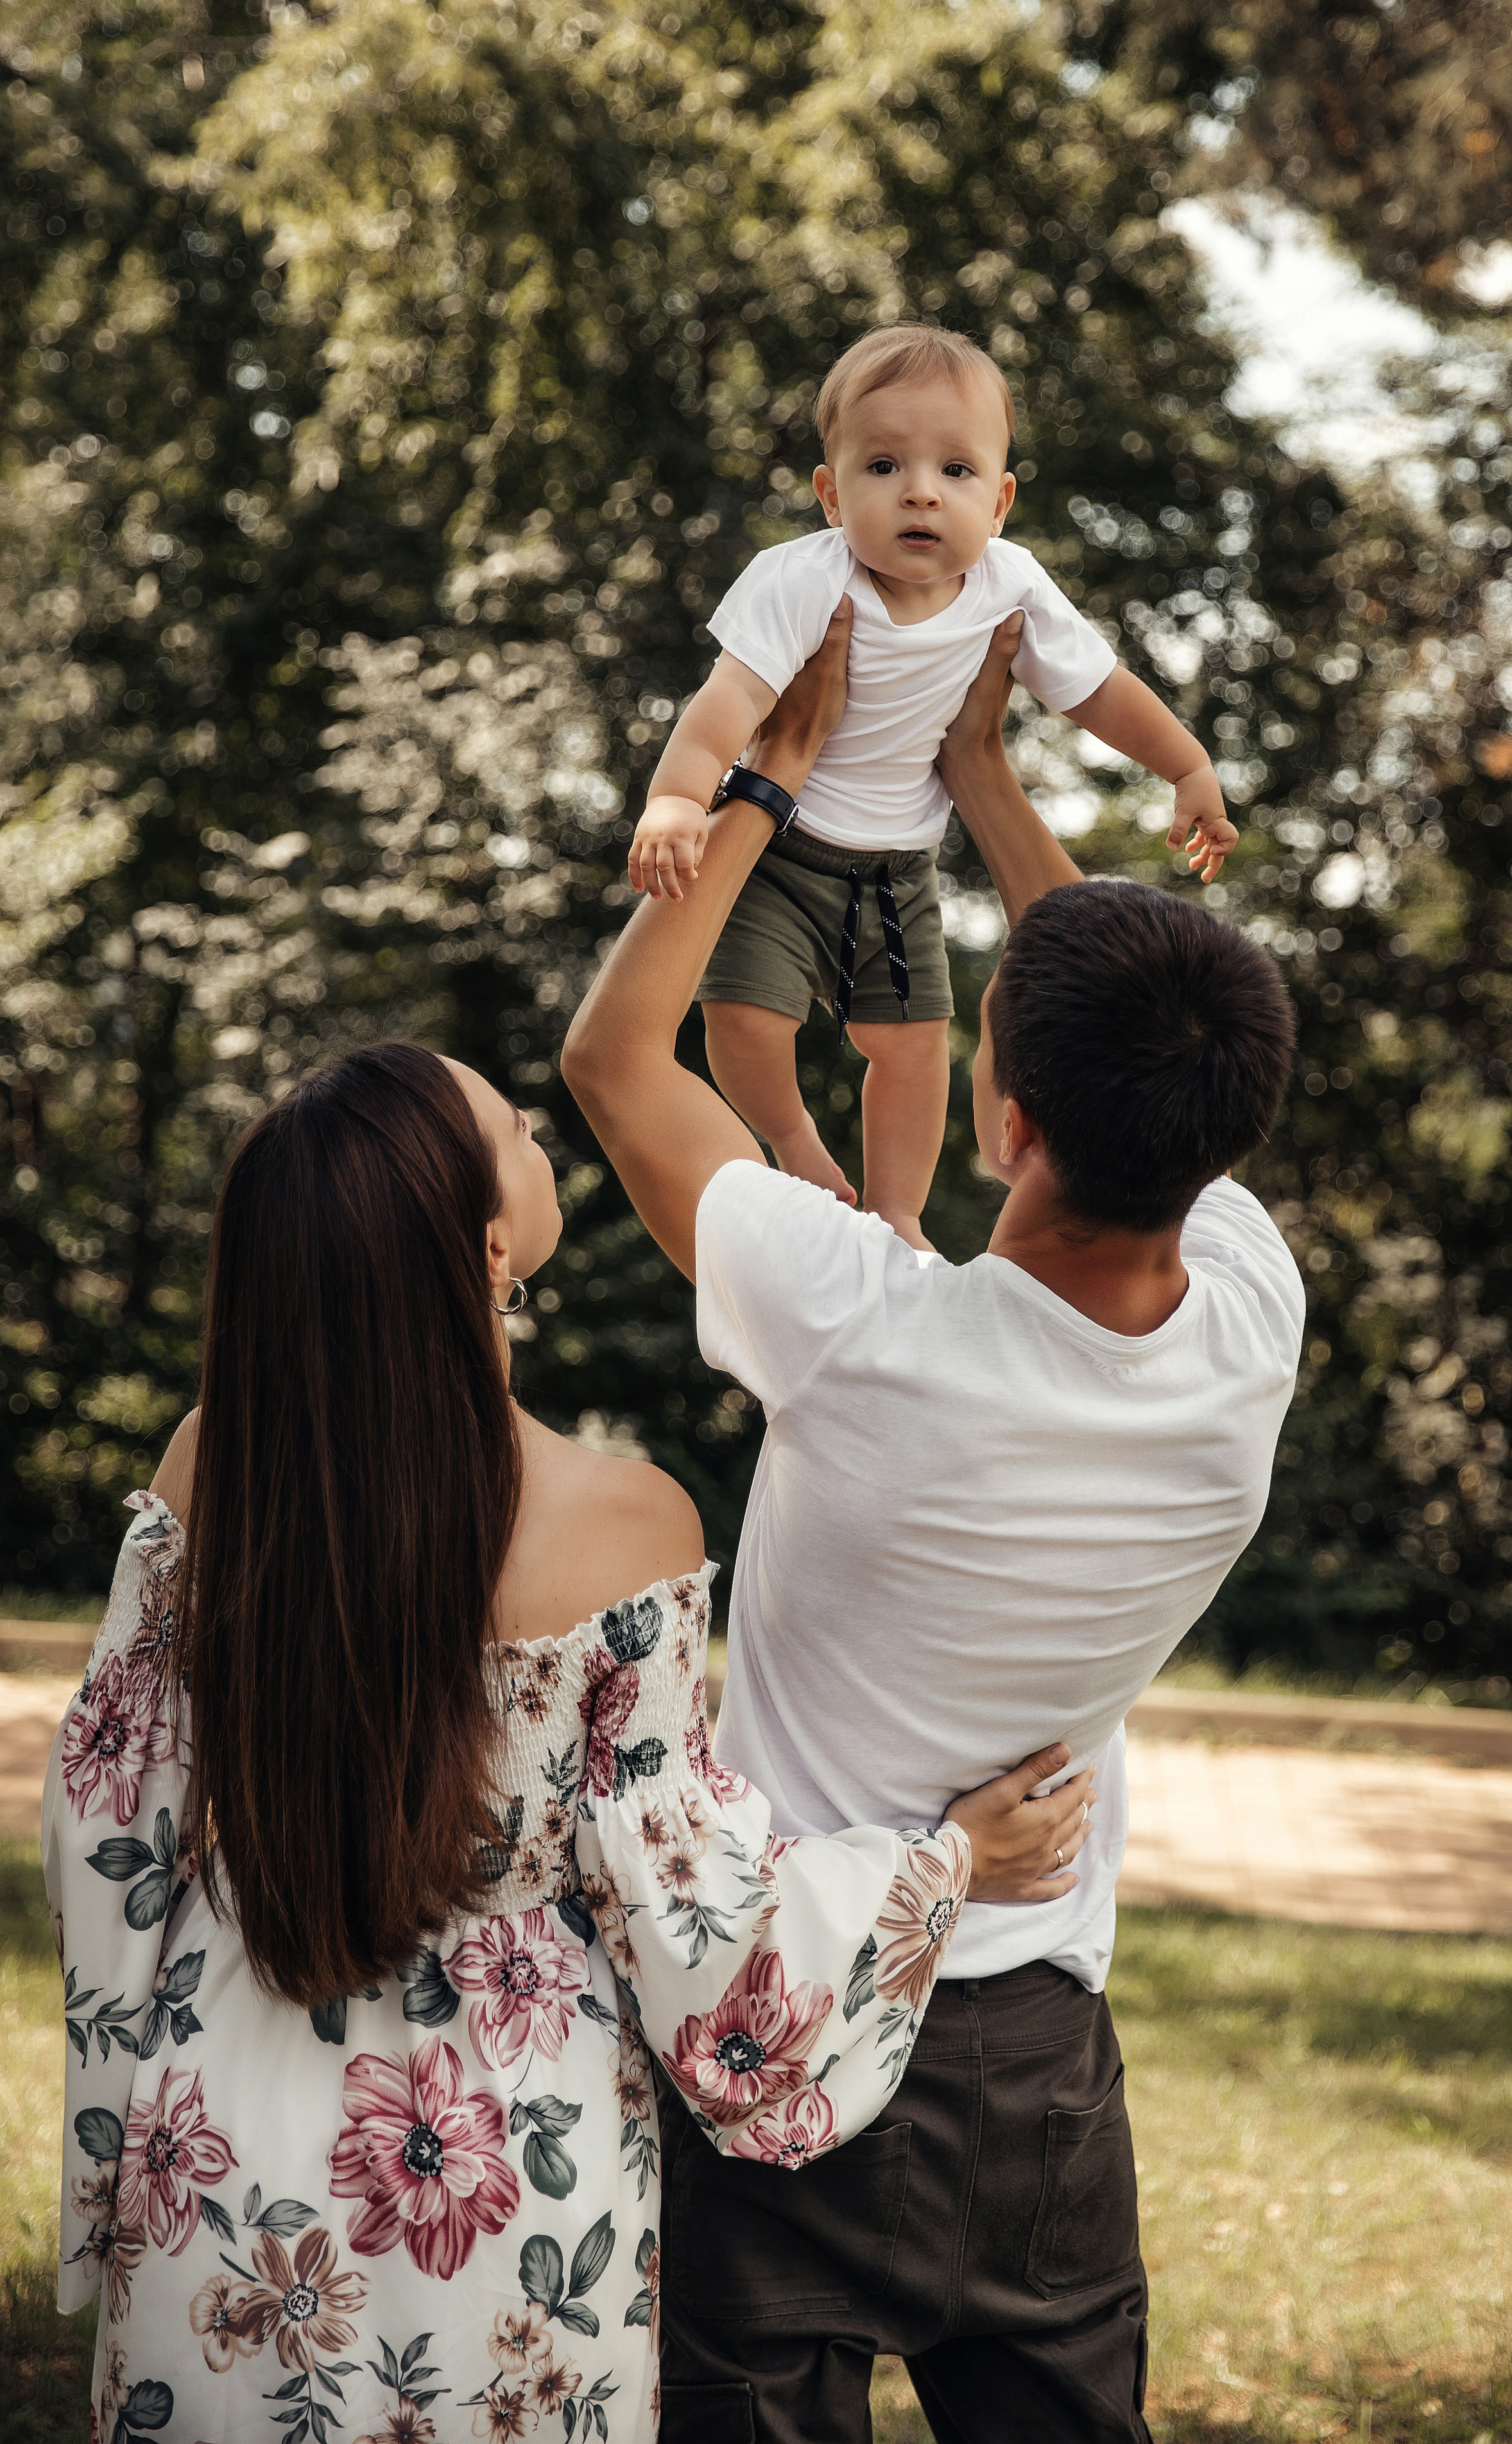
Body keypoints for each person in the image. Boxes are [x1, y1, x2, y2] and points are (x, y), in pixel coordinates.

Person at [42, 1042, 1094, 2444]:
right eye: (525, 1133)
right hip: (507, 2149)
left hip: (216, 2112)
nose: (549, 1145)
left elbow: (111, 1835)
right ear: (492, 1245)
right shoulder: (628, 1522)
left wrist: (113, 2148)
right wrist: (946, 1861)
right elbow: (695, 1916)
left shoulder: (204, 1466)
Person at [562, 605, 1303, 2444]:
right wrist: (981, 765)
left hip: (789, 2016)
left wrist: (769, 779)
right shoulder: (1251, 1321)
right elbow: (1152, 1025)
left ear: (1000, 1103)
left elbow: (611, 1055)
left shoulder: (861, 1321)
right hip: (1037, 2058)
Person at [623, 322, 1238, 1247]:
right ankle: (793, 1140)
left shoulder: (1011, 587)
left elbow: (1102, 692)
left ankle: (897, 1210)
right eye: (882, 467)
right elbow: (725, 707)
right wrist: (675, 801)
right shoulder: (800, 582)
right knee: (744, 1018)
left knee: (913, 1051)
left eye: (956, 470)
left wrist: (1187, 767)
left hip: (898, 866)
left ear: (999, 502)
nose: (919, 489)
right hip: (782, 853)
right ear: (830, 496)